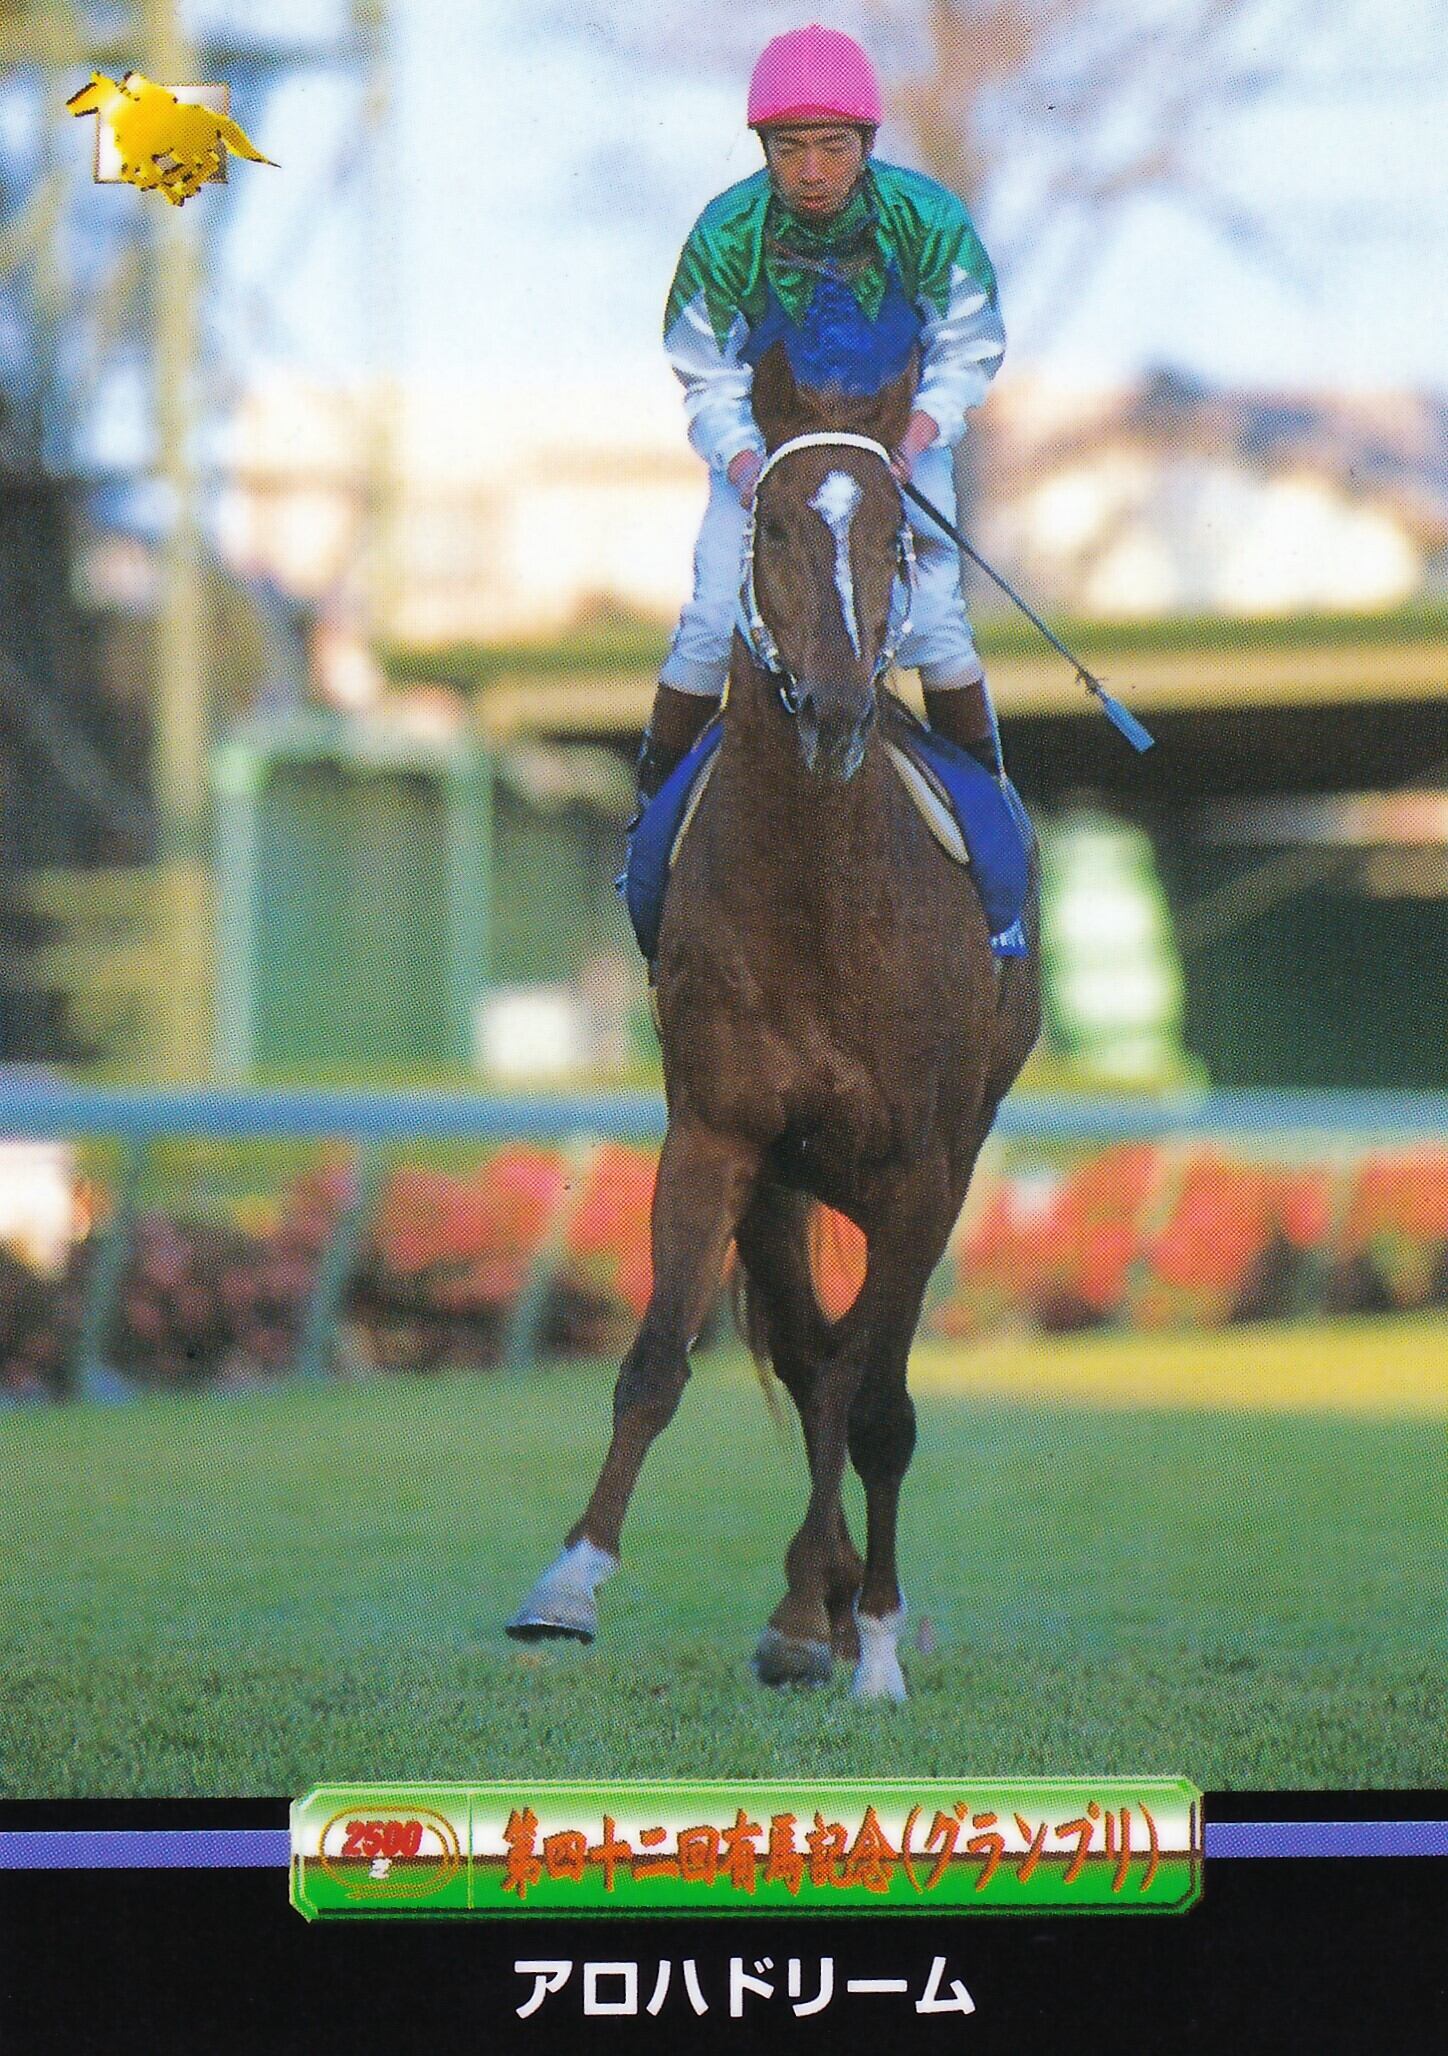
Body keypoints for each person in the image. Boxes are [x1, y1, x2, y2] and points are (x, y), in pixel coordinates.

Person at [637, 21, 1008, 806]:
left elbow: (968, 346)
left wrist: (919, 434)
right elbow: (704, 371)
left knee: (937, 624)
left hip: (900, 445)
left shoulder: (929, 218)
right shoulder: (725, 233)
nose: (811, 172)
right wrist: (744, 460)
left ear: (867, 143)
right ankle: (648, 831)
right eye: (789, 148)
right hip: (767, 455)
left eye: (833, 147)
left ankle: (994, 828)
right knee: (709, 620)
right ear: (763, 148)